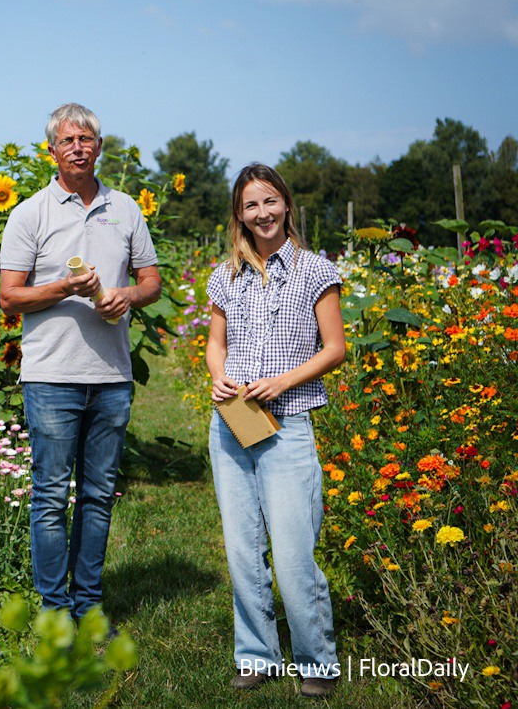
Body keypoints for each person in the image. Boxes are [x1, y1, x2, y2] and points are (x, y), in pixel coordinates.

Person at [0, 103, 162, 621]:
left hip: (111, 377)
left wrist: (128, 297)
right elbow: (9, 297)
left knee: (97, 497)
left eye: (86, 138)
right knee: (50, 498)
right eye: (68, 140)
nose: (78, 147)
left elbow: (152, 280)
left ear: (98, 147)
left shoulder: (125, 208)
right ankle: (53, 608)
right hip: (51, 377)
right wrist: (64, 288)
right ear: (52, 149)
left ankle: (87, 604)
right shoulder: (30, 213)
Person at [205, 163, 344, 698]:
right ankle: (257, 654)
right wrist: (219, 379)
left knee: (291, 555)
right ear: (239, 216)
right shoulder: (227, 275)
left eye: (269, 202)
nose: (261, 214)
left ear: (286, 205)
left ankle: (315, 661)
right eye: (250, 206)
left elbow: (334, 348)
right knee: (242, 549)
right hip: (233, 422)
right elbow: (216, 344)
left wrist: (281, 382)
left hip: (287, 427)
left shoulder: (315, 270)